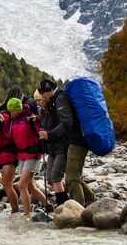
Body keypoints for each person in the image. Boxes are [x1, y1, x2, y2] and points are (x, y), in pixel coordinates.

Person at [37, 79, 96, 207]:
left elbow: (67, 123)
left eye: (42, 93)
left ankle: (78, 211)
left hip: (75, 141)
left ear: (48, 90)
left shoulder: (60, 99)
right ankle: (92, 201)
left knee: (71, 178)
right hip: (75, 141)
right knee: (75, 177)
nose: (42, 96)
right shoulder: (58, 99)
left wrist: (49, 134)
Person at [7, 97, 49, 216]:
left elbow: (40, 129)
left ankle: (26, 215)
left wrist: (36, 121)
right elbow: (11, 136)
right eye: (9, 111)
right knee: (30, 186)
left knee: (21, 185)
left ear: (19, 108)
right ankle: (48, 205)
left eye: (13, 110)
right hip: (21, 155)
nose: (11, 113)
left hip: (33, 154)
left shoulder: (29, 117)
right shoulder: (14, 120)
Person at [34, 89, 69, 207]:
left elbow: (62, 127)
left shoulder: (55, 110)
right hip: (52, 147)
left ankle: (61, 206)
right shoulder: (44, 112)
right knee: (50, 178)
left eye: (39, 100)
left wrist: (48, 134)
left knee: (55, 177)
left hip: (61, 146)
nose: (37, 103)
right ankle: (66, 202)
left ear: (44, 98)